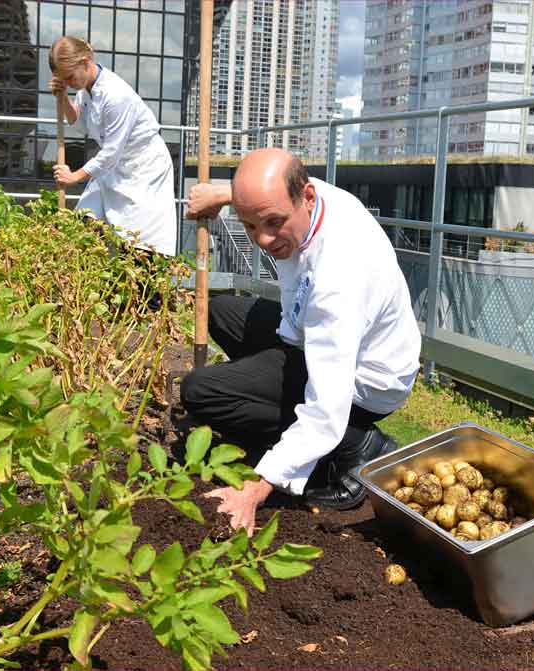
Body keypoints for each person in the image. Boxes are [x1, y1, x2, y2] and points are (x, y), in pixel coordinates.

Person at [181, 148, 422, 535]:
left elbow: (325, 409)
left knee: (201, 391)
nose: (262, 238)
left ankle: (358, 447)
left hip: (365, 382)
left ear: (305, 199)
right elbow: (267, 193)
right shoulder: (310, 196)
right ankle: (268, 394)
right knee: (218, 310)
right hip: (310, 333)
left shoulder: (339, 280)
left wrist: (256, 489)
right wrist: (221, 196)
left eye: (273, 223)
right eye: (249, 224)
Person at [49, 36, 176, 256]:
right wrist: (63, 97)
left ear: (85, 61)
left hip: (143, 169)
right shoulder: (85, 89)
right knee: (83, 225)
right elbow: (79, 124)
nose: (69, 83)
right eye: (64, 80)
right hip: (113, 167)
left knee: (140, 247)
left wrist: (74, 177)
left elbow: (110, 154)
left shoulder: (115, 96)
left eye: (69, 77)